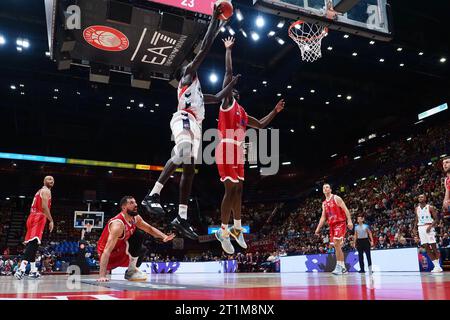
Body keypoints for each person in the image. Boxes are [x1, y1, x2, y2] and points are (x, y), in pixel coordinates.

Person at [141, 6, 237, 240]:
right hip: (184, 118)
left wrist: (231, 83)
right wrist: (214, 22)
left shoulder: (201, 94)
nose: (193, 67)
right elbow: (204, 48)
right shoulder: (187, 76)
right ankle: (153, 194)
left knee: (190, 170)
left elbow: (218, 97)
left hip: (197, 127)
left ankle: (181, 217)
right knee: (182, 151)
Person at [214, 36, 285, 254]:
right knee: (229, 188)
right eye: (229, 89)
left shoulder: (242, 112)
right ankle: (222, 231)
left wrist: (275, 111)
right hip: (225, 147)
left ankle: (237, 228)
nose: (231, 91)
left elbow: (261, 125)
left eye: (233, 90)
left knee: (239, 189)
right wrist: (228, 50)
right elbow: (227, 74)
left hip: (238, 151)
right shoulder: (226, 104)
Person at [97, 196, 175, 282]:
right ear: (124, 207)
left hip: (121, 249)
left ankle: (131, 271)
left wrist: (164, 236)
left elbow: (149, 228)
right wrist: (102, 275)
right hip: (110, 254)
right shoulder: (118, 225)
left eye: (135, 202)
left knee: (142, 249)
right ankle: (131, 270)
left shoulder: (135, 218)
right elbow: (106, 250)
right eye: (131, 203)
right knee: (138, 234)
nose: (136, 205)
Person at [15, 176, 55, 280]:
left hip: (32, 216)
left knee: (34, 245)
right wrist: (51, 220)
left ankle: (33, 270)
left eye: (53, 180)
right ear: (44, 181)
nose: (51, 181)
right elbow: (44, 206)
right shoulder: (46, 191)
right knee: (32, 244)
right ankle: (21, 269)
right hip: (39, 216)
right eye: (49, 179)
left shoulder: (39, 191)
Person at [315, 183, 353, 275]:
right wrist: (317, 229)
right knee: (336, 246)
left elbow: (346, 209)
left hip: (340, 223)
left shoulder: (336, 198)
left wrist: (349, 221)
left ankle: (340, 266)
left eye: (327, 187)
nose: (325, 188)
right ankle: (342, 267)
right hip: (332, 226)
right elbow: (323, 217)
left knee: (336, 243)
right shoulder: (324, 203)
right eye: (324, 187)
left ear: (330, 189)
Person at [413, 194, 442, 273]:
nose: (420, 198)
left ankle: (439, 265)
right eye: (419, 197)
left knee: (433, 247)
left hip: (429, 226)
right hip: (420, 228)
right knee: (426, 247)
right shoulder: (416, 209)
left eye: (422, 197)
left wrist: (430, 226)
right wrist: (414, 228)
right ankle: (436, 266)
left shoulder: (430, 207)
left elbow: (436, 219)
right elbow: (416, 219)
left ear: (425, 198)